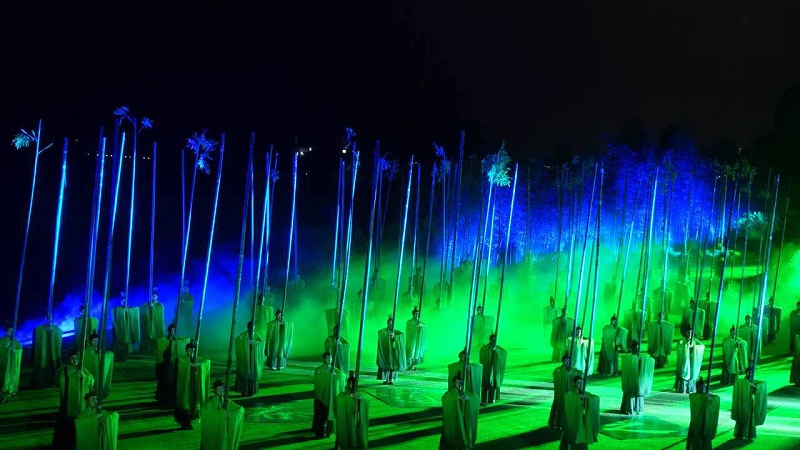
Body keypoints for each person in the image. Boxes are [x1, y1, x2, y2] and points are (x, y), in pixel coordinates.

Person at [54, 348, 95, 449]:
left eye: (76, 358)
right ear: (69, 359)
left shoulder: (83, 369)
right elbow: (62, 382)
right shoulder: (65, 370)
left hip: (80, 402)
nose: (75, 360)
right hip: (69, 402)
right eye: (72, 358)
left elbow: (91, 380)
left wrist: (84, 377)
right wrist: (74, 377)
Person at [175, 341, 211, 430]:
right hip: (186, 386)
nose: (191, 352)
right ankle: (184, 422)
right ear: (186, 350)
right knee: (185, 404)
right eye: (189, 350)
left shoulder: (197, 359)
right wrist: (190, 365)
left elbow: (207, 361)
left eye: (193, 351)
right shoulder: (183, 359)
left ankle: (190, 422)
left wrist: (199, 365)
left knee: (193, 404)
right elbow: (183, 365)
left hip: (194, 386)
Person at [201, 380, 245, 450]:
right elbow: (205, 413)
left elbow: (240, 409)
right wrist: (221, 414)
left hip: (225, 434)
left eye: (222, 388)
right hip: (216, 434)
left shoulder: (227, 402)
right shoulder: (209, 404)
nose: (221, 390)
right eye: (219, 389)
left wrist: (231, 414)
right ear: (214, 390)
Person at [440, 372, 479, 449]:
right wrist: (457, 398)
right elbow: (445, 398)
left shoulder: (464, 393)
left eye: (460, 383)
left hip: (462, 420)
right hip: (454, 421)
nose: (459, 385)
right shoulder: (450, 394)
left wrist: (468, 399)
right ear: (453, 383)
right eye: (457, 383)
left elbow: (476, 398)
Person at [561, 375, 600, 450]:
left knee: (583, 442)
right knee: (574, 440)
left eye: (582, 383)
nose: (581, 385)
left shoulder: (585, 393)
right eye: (578, 383)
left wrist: (587, 399)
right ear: (574, 383)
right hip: (575, 421)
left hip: (583, 421)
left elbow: (596, 398)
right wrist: (579, 398)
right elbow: (569, 403)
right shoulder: (569, 394)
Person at [312, 351, 345, 439]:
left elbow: (342, 375)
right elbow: (318, 380)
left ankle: (328, 431)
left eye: (330, 358)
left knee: (330, 414)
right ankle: (319, 431)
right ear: (323, 359)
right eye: (327, 358)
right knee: (321, 414)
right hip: (321, 397)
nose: (329, 359)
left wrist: (335, 376)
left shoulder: (333, 368)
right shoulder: (319, 369)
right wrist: (329, 376)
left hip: (331, 396)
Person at [156, 323, 188, 407]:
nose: (173, 332)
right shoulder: (164, 341)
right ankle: (163, 400)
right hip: (165, 367)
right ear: (169, 331)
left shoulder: (177, 341)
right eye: (171, 330)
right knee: (164, 384)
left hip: (173, 367)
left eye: (174, 330)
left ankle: (171, 400)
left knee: (172, 384)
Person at [334, 371, 369, 450]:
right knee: (344, 431)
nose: (351, 385)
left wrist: (360, 399)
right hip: (344, 418)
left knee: (353, 434)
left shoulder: (358, 395)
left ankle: (353, 445)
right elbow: (338, 400)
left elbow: (364, 403)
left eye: (353, 384)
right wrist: (350, 396)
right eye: (350, 383)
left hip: (353, 419)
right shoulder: (342, 395)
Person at [731, 368, 767, 441]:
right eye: (748, 372)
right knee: (742, 417)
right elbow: (737, 385)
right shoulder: (741, 382)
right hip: (743, 402)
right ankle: (740, 434)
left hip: (750, 402)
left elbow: (763, 384)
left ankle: (750, 434)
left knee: (750, 419)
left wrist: (755, 387)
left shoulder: (754, 381)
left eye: (751, 372)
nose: (749, 374)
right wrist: (747, 385)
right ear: (746, 372)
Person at [619, 341, 655, 415]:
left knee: (639, 389)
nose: (637, 349)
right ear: (632, 348)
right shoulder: (628, 358)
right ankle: (630, 407)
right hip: (631, 379)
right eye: (635, 347)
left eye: (638, 347)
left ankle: (638, 407)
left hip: (639, 379)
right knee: (631, 390)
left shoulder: (642, 358)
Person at [686, 377, 719, 450]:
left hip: (699, 422)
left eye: (702, 387)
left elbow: (716, 398)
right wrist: (708, 396)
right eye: (699, 387)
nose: (700, 388)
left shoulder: (696, 396)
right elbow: (716, 398)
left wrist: (708, 396)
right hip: (700, 422)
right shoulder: (695, 396)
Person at [234, 321, 265, 396]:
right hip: (245, 358)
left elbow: (262, 341)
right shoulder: (243, 334)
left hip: (253, 358)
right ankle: (244, 391)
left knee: (252, 374)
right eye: (251, 327)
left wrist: (254, 343)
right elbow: (237, 340)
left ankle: (251, 391)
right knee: (245, 373)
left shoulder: (255, 335)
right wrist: (246, 342)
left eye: (253, 327)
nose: (252, 329)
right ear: (248, 327)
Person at [80, 332, 114, 399]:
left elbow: (104, 357)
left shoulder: (99, 351)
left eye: (97, 340)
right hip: (91, 372)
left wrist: (109, 355)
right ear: (90, 341)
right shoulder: (87, 352)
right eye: (94, 340)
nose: (96, 342)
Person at [549, 354, 578, 430]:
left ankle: (567, 423)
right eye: (566, 360)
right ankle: (558, 423)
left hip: (569, 392)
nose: (567, 362)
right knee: (559, 406)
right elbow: (556, 379)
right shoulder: (558, 370)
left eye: (569, 360)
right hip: (560, 392)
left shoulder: (573, 370)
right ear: (563, 361)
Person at [32, 320, 63, 388]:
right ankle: (42, 383)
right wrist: (44, 331)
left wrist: (52, 331)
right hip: (43, 353)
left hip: (53, 353)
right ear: (45, 318)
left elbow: (60, 332)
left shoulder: (55, 328)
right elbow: (37, 335)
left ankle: (54, 382)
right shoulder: (40, 328)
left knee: (53, 367)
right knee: (43, 367)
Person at [376, 317, 406, 384]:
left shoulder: (396, 331)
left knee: (392, 365)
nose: (390, 324)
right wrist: (388, 335)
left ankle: (390, 379)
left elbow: (402, 335)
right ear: (387, 323)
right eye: (389, 323)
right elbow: (380, 333)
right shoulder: (383, 331)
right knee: (386, 365)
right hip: (386, 351)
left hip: (393, 351)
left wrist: (395, 337)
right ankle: (386, 379)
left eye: (392, 323)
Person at [479, 334, 507, 404]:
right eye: (492, 339)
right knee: (485, 384)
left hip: (494, 369)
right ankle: (484, 399)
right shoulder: (485, 348)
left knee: (493, 384)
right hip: (487, 369)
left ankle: (492, 399)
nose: (493, 341)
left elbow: (504, 352)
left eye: (495, 340)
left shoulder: (498, 348)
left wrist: (496, 350)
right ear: (490, 339)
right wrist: (490, 351)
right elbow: (482, 354)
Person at [112, 292, 140, 362]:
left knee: (126, 344)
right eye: (122, 300)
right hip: (120, 330)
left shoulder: (129, 308)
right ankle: (119, 356)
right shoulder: (118, 309)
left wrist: (128, 311)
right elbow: (115, 313)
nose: (123, 302)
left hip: (127, 329)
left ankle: (125, 355)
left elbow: (135, 310)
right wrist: (123, 311)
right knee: (120, 344)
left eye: (124, 300)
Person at [675, 329, 705, 394]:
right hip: (686, 362)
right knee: (685, 373)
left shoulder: (695, 341)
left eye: (691, 332)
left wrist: (694, 347)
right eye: (688, 332)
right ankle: (683, 389)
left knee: (692, 374)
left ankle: (690, 389)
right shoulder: (682, 341)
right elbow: (679, 346)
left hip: (692, 361)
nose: (690, 334)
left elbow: (702, 347)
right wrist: (686, 347)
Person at [140, 287, 165, 354]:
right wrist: (148, 307)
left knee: (155, 337)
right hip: (148, 323)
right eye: (153, 295)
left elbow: (160, 312)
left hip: (155, 324)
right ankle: (146, 350)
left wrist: (153, 307)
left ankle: (155, 349)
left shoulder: (159, 304)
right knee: (147, 336)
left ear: (157, 297)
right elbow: (142, 308)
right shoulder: (147, 303)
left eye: (155, 296)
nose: (154, 297)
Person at [0, 323, 22, 403]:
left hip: (11, 366)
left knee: (9, 381)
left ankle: (6, 396)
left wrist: (15, 351)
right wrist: (7, 350)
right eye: (9, 331)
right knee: (3, 380)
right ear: (6, 331)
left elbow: (19, 350)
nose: (11, 333)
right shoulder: (2, 341)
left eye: (13, 331)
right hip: (4, 366)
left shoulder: (15, 342)